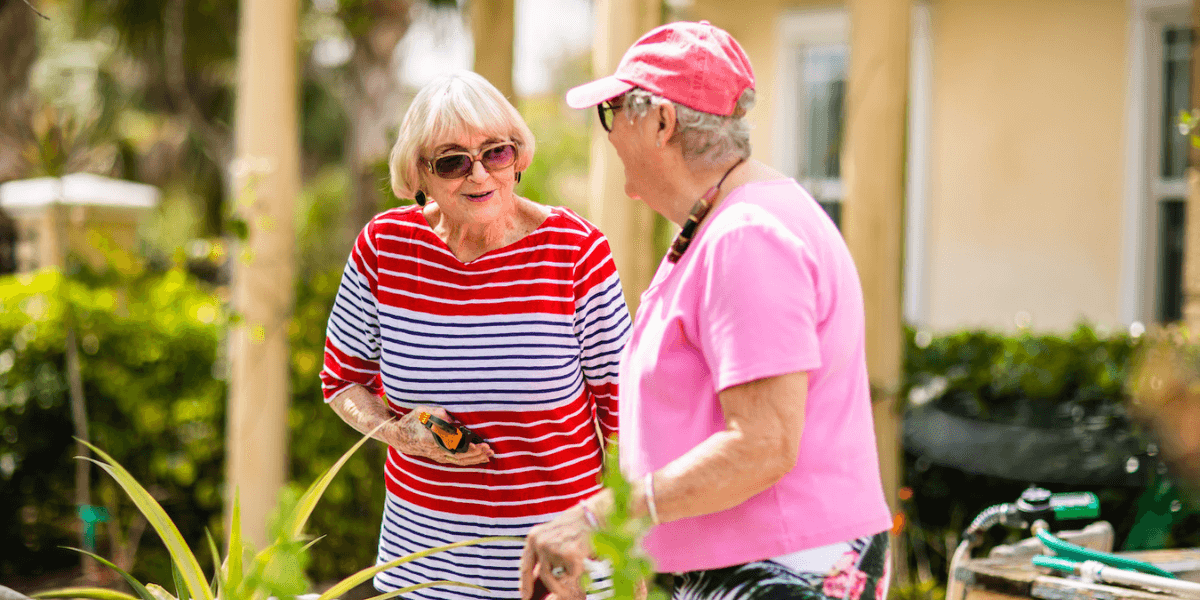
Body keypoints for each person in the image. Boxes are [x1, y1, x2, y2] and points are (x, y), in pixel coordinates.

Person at [518, 21, 894, 600]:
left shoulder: (747, 236)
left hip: (781, 568)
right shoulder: (726, 221)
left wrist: (602, 520)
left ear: (662, 122)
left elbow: (763, 443)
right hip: (749, 564)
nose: (609, 134)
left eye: (612, 113)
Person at [321, 70, 631, 599]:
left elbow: (627, 417)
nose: (479, 174)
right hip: (421, 568)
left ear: (519, 157)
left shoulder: (577, 254)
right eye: (452, 161)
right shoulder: (384, 248)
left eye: (496, 153)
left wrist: (629, 561)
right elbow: (342, 383)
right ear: (419, 172)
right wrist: (397, 433)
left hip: (556, 572)